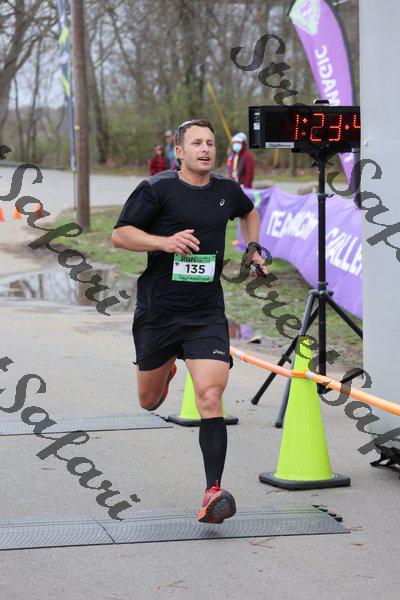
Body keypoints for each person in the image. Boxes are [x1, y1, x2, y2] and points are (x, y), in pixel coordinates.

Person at [112, 119, 269, 524]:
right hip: (159, 312)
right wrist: (164, 242)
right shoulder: (156, 189)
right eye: (196, 143)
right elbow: (121, 235)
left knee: (211, 395)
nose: (205, 149)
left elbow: (249, 212)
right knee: (148, 401)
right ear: (179, 152)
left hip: (205, 313)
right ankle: (166, 370)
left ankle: (212, 491)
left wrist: (252, 247)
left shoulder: (226, 190)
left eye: (210, 143)